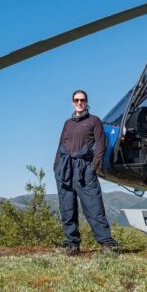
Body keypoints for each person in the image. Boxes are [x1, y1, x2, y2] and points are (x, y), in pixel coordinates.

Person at [53, 89, 119, 255]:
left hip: (85, 169)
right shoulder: (67, 123)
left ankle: (106, 243)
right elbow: (60, 145)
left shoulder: (94, 121)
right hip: (65, 169)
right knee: (67, 208)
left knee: (94, 207)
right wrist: (56, 166)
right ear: (72, 102)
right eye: (76, 100)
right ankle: (72, 244)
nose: (79, 103)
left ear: (86, 102)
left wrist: (93, 167)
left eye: (82, 100)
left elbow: (101, 144)